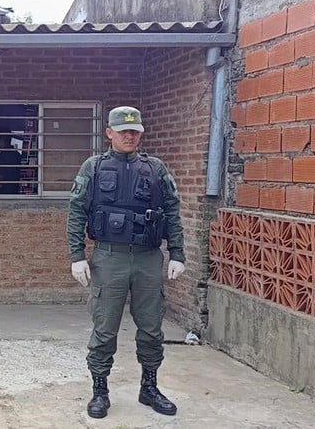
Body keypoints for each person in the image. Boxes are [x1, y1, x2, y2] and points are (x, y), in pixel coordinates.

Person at [65, 106, 186, 419]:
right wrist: (77, 256)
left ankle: (149, 387)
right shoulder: (93, 167)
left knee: (151, 328)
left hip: (148, 258)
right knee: (105, 328)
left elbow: (172, 211)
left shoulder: (155, 168)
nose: (130, 136)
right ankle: (100, 390)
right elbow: (76, 211)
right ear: (109, 133)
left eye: (135, 131)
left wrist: (177, 252)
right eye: (123, 131)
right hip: (109, 258)